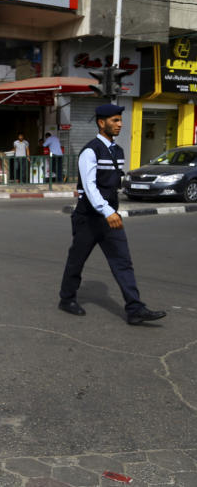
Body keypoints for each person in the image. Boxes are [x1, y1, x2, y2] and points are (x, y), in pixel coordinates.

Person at [58, 104, 166, 325]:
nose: (120, 124)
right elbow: (90, 187)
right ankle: (66, 299)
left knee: (123, 262)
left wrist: (113, 209)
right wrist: (107, 210)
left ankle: (135, 309)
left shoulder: (118, 151)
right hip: (88, 217)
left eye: (120, 120)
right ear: (102, 122)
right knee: (76, 261)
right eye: (115, 120)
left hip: (110, 217)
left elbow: (111, 184)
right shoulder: (90, 151)